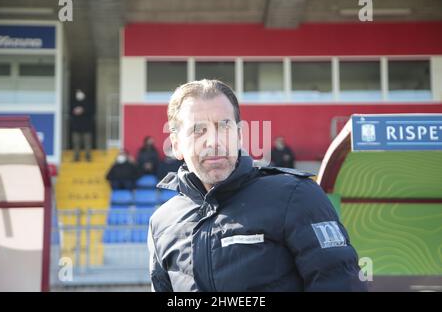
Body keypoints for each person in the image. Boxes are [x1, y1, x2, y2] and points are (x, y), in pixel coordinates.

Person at [148, 79, 367, 292]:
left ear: (240, 135)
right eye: (198, 130)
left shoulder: (296, 195)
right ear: (176, 145)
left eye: (224, 126)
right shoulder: (162, 223)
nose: (214, 141)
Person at [71, 89, 93, 162]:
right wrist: (75, 111)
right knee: (76, 142)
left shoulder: (88, 102)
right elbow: (70, 112)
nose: (79, 94)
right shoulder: (73, 102)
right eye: (77, 93)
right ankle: (76, 157)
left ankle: (88, 156)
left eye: (80, 93)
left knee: (87, 142)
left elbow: (91, 111)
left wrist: (83, 110)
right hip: (76, 127)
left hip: (87, 126)